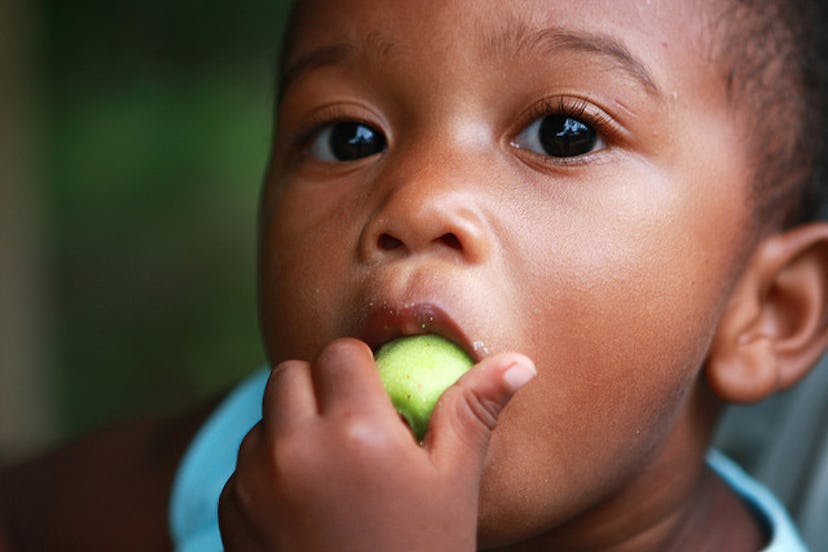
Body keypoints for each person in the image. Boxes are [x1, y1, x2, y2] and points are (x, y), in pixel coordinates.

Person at [2, 0, 827, 549]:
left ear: (770, 312)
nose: (417, 201)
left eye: (563, 133)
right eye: (348, 139)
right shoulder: (254, 462)